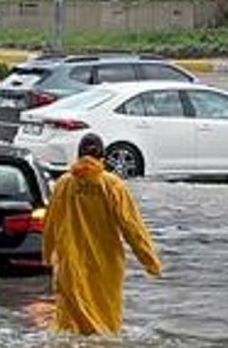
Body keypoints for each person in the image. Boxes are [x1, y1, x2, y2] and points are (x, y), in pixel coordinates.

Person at [41, 134, 162, 335]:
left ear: (78, 155)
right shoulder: (113, 185)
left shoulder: (63, 184)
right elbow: (132, 227)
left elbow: (50, 224)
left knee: (71, 325)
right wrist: (150, 261)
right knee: (105, 323)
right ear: (103, 156)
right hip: (106, 266)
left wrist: (47, 255)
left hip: (70, 264)